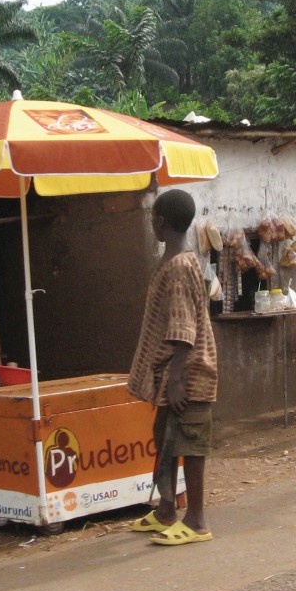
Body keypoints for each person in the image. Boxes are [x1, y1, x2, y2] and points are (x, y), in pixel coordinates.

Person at [126, 188, 219, 546]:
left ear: (161, 223)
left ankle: (197, 521)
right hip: (171, 375)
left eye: (153, 220)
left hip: (190, 373)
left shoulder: (179, 267)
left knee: (191, 445)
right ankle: (167, 510)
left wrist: (178, 379)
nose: (152, 225)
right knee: (166, 440)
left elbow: (183, 329)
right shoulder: (175, 260)